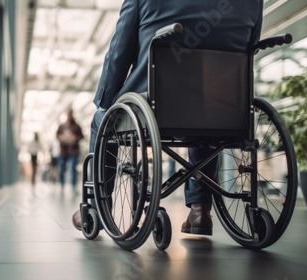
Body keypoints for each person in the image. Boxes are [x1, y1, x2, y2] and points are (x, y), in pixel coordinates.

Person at [72, 0, 263, 234]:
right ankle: (200, 208)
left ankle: (96, 208)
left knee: (101, 120)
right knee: (205, 121)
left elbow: (119, 53)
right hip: (224, 107)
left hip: (154, 105)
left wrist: (105, 100)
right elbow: (250, 47)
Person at [56, 108, 84, 190]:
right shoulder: (62, 126)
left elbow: (81, 136)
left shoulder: (76, 126)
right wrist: (61, 138)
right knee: (61, 168)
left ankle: (73, 186)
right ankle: (61, 184)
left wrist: (75, 138)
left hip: (73, 151)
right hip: (63, 151)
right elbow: (57, 135)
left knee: (73, 168)